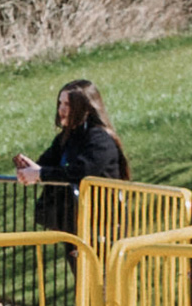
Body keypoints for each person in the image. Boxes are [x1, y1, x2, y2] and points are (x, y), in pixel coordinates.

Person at [14, 78, 125, 236]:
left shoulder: (100, 139)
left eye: (67, 104)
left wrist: (40, 174)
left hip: (103, 225)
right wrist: (28, 169)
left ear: (84, 108)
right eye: (60, 103)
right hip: (74, 223)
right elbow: (46, 164)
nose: (61, 110)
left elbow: (80, 172)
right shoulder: (65, 138)